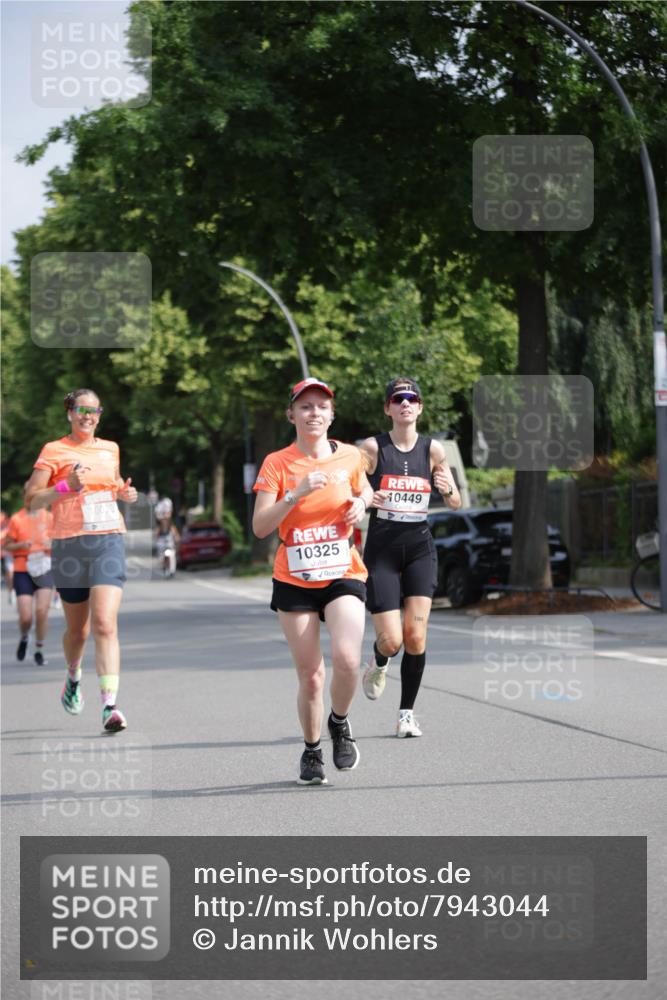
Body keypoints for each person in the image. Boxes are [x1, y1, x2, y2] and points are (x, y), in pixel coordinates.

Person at [253, 377, 373, 785]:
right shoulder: (277, 463)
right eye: (305, 406)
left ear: (332, 414)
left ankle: (339, 722)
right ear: (291, 414)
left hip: (343, 570)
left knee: (348, 659)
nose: (314, 413)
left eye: (322, 406)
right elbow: (259, 526)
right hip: (296, 577)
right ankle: (311, 748)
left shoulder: (351, 456)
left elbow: (367, 490)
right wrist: (295, 493)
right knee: (312, 675)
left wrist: (360, 503)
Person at [25, 389, 138, 733]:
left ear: (99, 415)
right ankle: (73, 674)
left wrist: (124, 493)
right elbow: (30, 500)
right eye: (81, 410)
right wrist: (64, 487)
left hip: (108, 539)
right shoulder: (53, 451)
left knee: (105, 623)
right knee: (79, 630)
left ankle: (109, 706)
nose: (87, 416)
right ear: (69, 413)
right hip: (69, 546)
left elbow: (114, 484)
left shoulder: (110, 449)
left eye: (93, 410)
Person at [359, 377, 461, 737]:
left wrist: (448, 492)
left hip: (419, 548)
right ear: (388, 408)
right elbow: (352, 481)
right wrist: (365, 495)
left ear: (419, 407)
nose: (405, 403)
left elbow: (455, 501)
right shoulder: (372, 448)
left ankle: (406, 714)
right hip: (382, 551)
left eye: (412, 398)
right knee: (393, 640)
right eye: (397, 398)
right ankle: (379, 659)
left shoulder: (434, 451)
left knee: (416, 636)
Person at [5, 491, 55, 665]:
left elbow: (62, 542)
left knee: (42, 611)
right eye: (28, 496)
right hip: (22, 568)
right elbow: (7, 545)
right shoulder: (17, 519)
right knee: (26, 617)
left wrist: (53, 544)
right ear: (25, 498)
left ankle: (39, 649)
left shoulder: (49, 517)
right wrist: (20, 545)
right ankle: (25, 636)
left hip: (44, 568)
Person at [154, 498, 180, 577]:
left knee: (172, 555)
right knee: (161, 556)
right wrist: (156, 537)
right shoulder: (160, 526)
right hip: (162, 543)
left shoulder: (171, 524)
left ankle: (172, 570)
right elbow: (156, 534)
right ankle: (164, 566)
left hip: (169, 543)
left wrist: (177, 538)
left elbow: (175, 533)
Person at [1, 509, 15, 605]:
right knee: (9, 573)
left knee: (12, 573)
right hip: (6, 553)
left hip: (13, 552)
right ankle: (11, 592)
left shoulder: (11, 524)